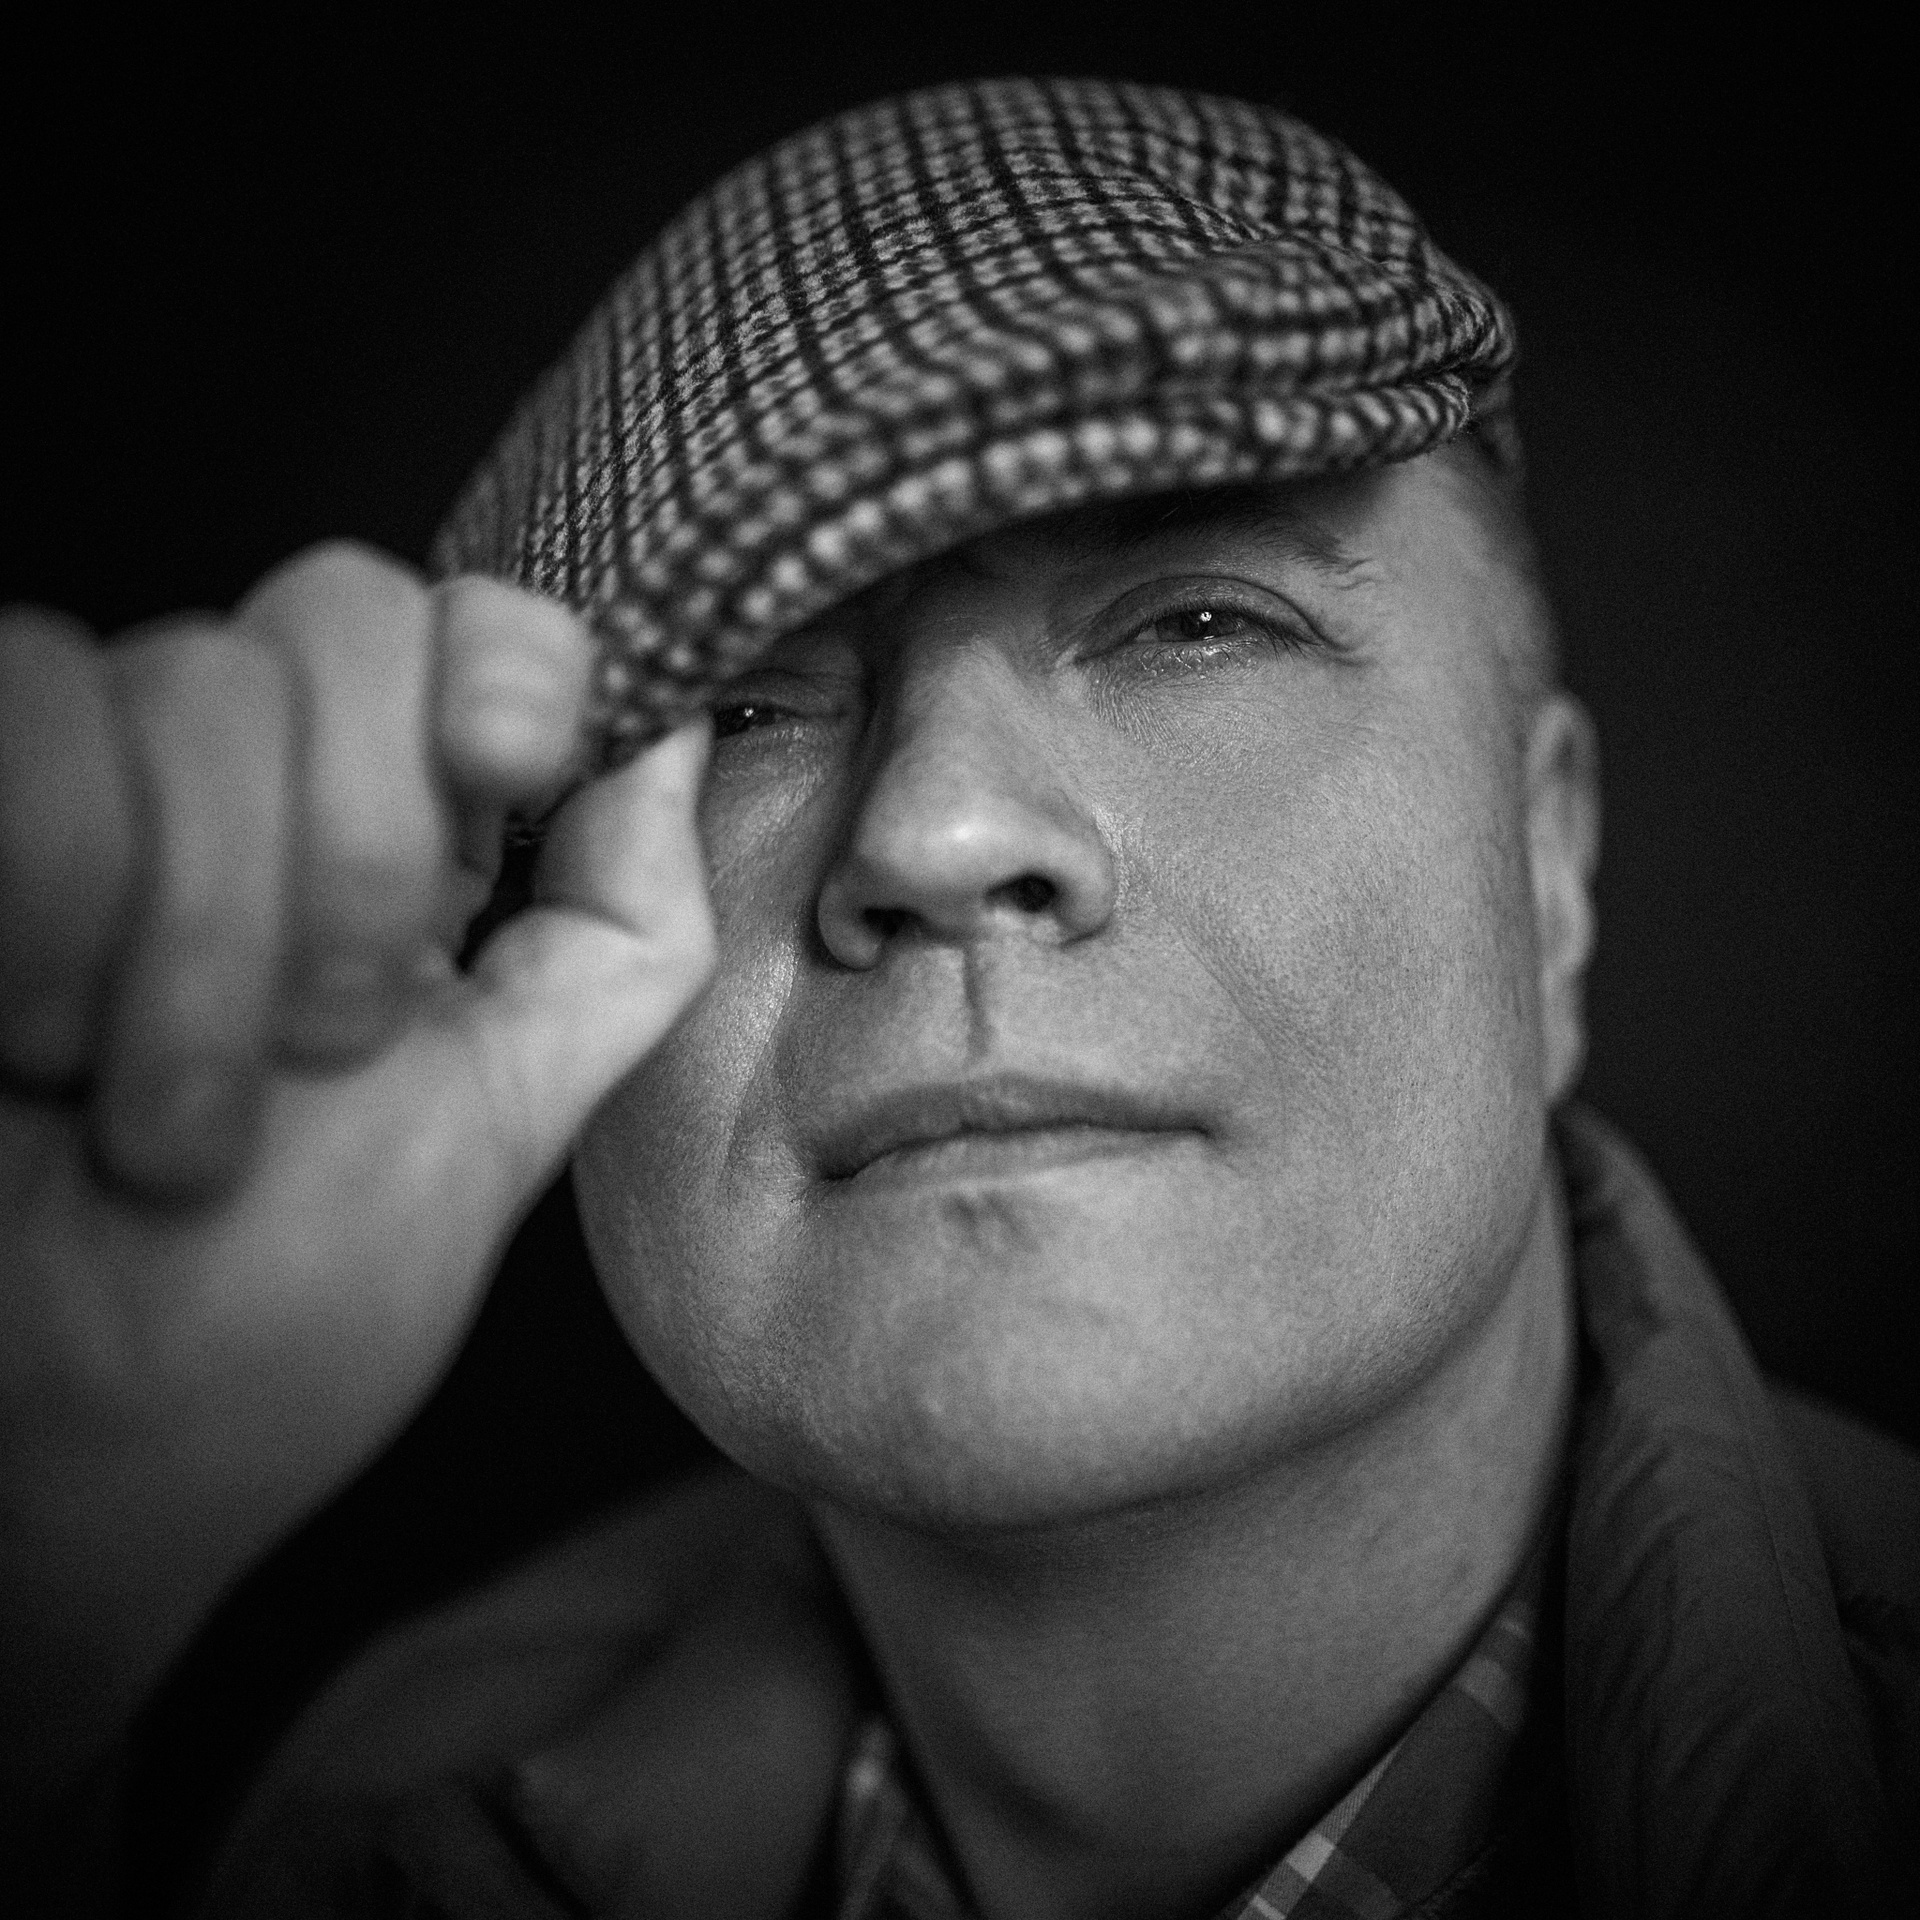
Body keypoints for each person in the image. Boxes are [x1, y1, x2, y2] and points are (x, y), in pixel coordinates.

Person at [2, 77, 1913, 1919]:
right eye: (743, 706)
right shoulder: (335, 1825)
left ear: (1548, 865)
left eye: (1199, 621)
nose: (936, 828)